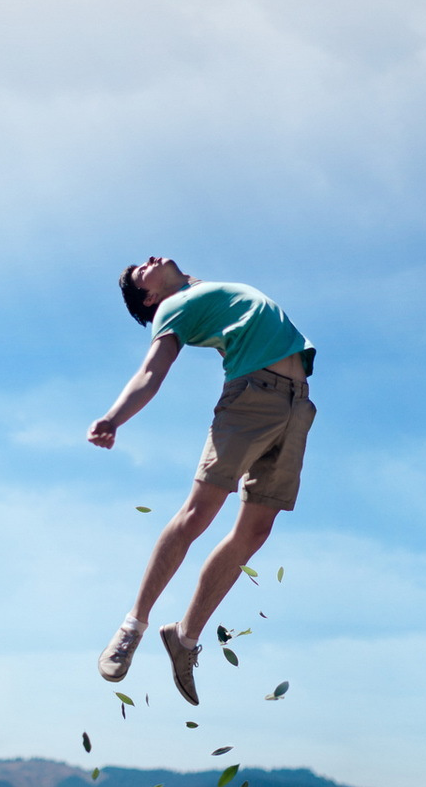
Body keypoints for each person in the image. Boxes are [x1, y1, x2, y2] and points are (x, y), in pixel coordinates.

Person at [86, 256, 316, 705]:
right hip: (252, 398)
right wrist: (113, 418)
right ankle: (132, 627)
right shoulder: (173, 309)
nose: (149, 260)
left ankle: (185, 639)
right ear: (151, 298)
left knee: (256, 531)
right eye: (140, 273)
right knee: (198, 515)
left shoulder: (204, 289)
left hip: (296, 405)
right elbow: (151, 373)